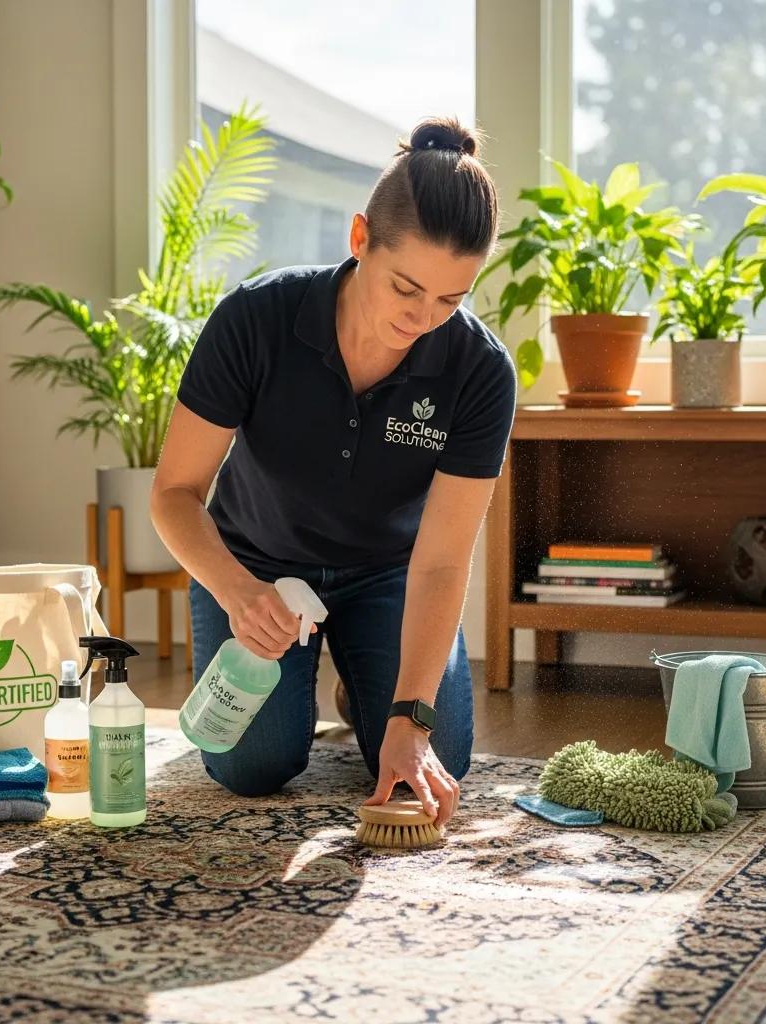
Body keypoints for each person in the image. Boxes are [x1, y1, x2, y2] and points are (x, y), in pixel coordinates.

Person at [151, 115, 516, 830]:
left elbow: (441, 563)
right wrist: (237, 591)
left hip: (389, 575)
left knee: (444, 753)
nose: (423, 318)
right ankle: (344, 681)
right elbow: (173, 493)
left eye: (451, 300)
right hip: (256, 564)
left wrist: (411, 716)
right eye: (406, 287)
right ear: (359, 240)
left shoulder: (478, 371)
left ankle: (368, 684)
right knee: (251, 768)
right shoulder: (256, 319)